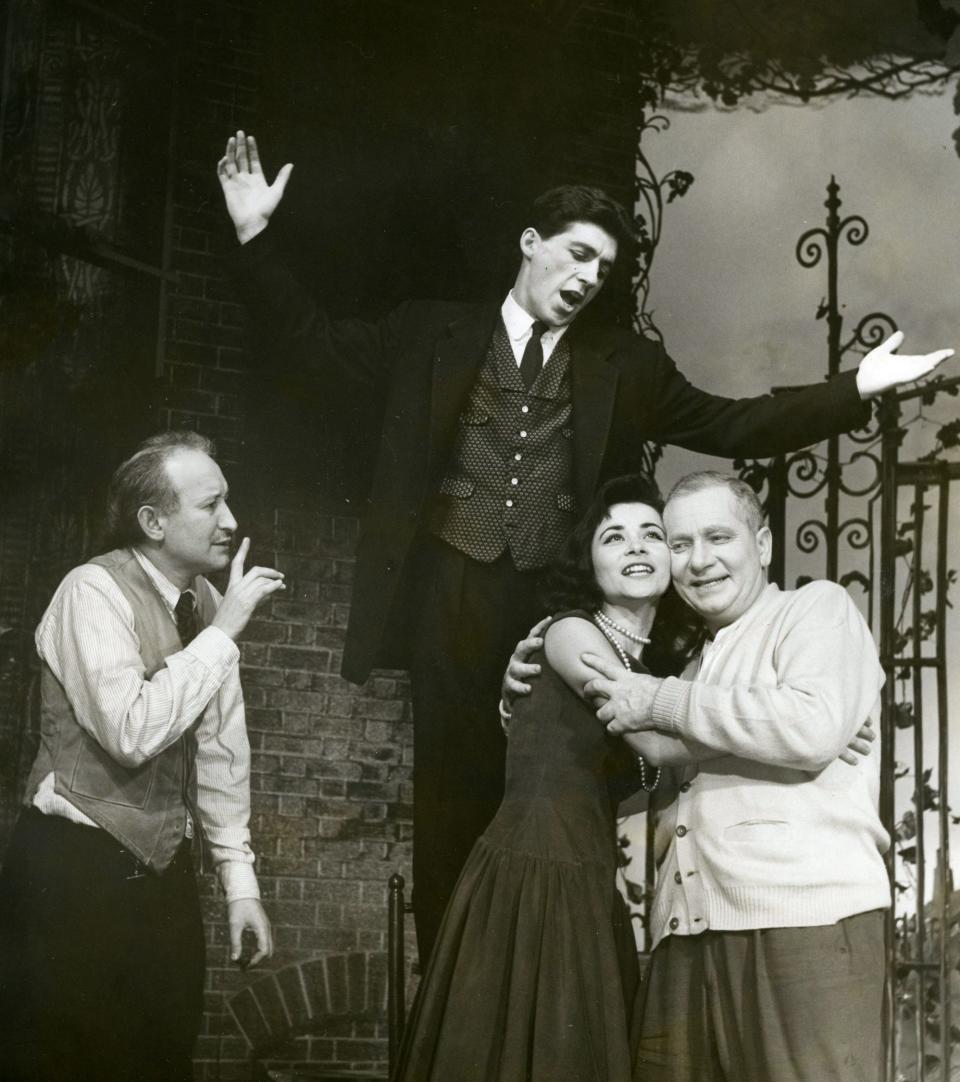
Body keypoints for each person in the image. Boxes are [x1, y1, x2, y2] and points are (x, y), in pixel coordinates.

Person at [215, 130, 948, 961]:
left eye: (601, 272)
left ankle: (564, 993)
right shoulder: (429, 333)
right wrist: (253, 237)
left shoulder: (624, 365)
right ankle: (453, 997)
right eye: (574, 256)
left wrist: (857, 388)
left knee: (562, 804)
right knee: (449, 809)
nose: (585, 280)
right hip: (447, 595)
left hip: (551, 609)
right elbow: (311, 348)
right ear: (530, 244)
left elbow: (732, 421)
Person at [580, 472, 890, 1082]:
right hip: (686, 932)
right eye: (680, 543)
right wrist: (536, 661)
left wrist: (662, 702)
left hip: (805, 922)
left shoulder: (815, 608)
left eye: (718, 537)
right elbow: (651, 759)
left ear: (765, 544)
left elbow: (811, 727)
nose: (699, 561)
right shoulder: (692, 662)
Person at [0, 431, 285, 1082]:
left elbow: (219, 755)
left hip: (160, 880)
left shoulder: (209, 608)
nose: (231, 522)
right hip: (67, 879)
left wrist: (241, 887)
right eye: (210, 505)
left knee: (156, 1060)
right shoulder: (90, 592)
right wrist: (225, 632)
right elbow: (130, 730)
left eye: (228, 503)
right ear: (152, 521)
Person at [393, 474, 695, 1082]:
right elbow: (660, 747)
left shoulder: (642, 665)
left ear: (673, 556)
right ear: (588, 562)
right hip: (534, 871)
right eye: (613, 537)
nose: (635, 547)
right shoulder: (569, 632)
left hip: (583, 873)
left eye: (652, 535)